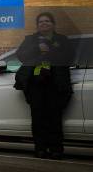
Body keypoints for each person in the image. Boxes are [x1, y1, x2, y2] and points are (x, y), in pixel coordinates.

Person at [15, 12, 74, 160]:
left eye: (47, 21)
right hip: (36, 84)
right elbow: (21, 55)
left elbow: (69, 57)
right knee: (38, 118)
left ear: (53, 24)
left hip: (56, 83)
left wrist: (50, 50)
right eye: (41, 22)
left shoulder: (62, 40)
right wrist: (37, 49)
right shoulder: (30, 40)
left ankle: (56, 150)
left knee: (55, 118)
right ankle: (40, 149)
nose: (44, 23)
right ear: (37, 25)